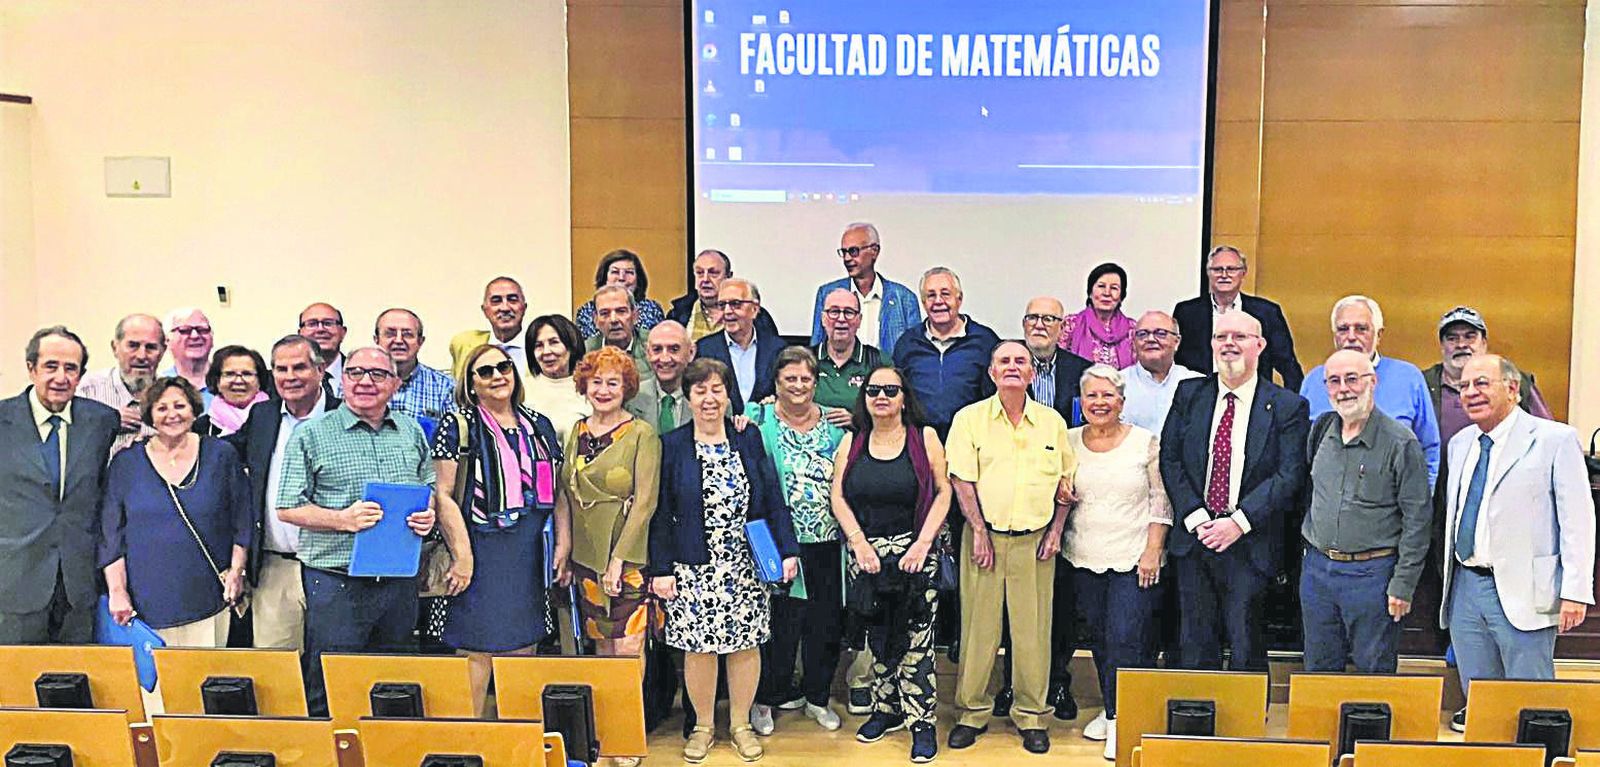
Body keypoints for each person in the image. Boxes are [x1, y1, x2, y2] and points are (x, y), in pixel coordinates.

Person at [648, 358, 800, 763]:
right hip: (693, 564)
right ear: (688, 396)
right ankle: (702, 726)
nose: (710, 398)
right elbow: (660, 512)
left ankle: (740, 724)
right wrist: (660, 569)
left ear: (729, 394)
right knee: (699, 650)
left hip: (744, 563)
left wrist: (788, 550)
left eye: (717, 389)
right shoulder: (673, 444)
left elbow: (770, 497)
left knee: (745, 647)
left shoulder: (747, 439)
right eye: (701, 390)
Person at [276, 347, 438, 716]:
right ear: (341, 379)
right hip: (336, 583)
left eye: (379, 374)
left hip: (398, 582)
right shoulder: (312, 434)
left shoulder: (411, 431)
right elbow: (286, 507)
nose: (366, 381)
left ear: (396, 384)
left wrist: (426, 517)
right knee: (333, 686)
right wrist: (342, 519)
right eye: (356, 372)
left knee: (394, 685)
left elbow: (427, 490)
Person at [1441, 354, 1595, 731]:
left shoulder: (1554, 439)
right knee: (1480, 701)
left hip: (1526, 589)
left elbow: (1577, 519)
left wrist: (1575, 589)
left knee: (1531, 704)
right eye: (1463, 386)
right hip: (1466, 587)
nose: (1471, 392)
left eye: (1481, 383)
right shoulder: (1461, 443)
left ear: (1512, 389)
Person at [945, 341, 1076, 754]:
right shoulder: (970, 420)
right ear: (991, 372)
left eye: (1021, 361)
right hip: (984, 539)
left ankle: (1032, 716)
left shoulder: (1052, 423)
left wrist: (1056, 531)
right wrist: (979, 531)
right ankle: (972, 712)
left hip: (1036, 543)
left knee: (1033, 633)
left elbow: (1065, 486)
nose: (1013, 367)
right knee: (979, 632)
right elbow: (961, 480)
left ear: (1032, 374)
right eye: (1004, 361)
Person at [1160, 311, 1309, 672]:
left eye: (1239, 337)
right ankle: (1195, 722)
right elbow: (1171, 458)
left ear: (1259, 345)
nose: (1229, 344)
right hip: (1195, 540)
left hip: (1250, 542)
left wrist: (1237, 523)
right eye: (1221, 337)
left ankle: (1242, 725)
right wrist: (1198, 519)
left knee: (1246, 643)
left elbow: (1288, 474)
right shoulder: (1189, 393)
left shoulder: (1287, 405)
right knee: (1194, 642)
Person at [432, 344, 564, 714]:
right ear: (471, 384)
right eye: (485, 371)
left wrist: (564, 545)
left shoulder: (539, 424)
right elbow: (443, 495)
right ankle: (470, 740)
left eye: (503, 367)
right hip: (480, 550)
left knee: (525, 643)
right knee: (478, 646)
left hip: (528, 552)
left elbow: (559, 489)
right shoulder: (458, 424)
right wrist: (463, 556)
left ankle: (518, 742)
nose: (497, 376)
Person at [832, 365, 952, 763]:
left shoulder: (924, 438)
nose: (881, 396)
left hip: (915, 557)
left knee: (916, 643)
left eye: (890, 390)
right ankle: (888, 710)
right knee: (878, 639)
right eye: (873, 390)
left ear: (904, 397)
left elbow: (943, 492)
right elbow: (838, 497)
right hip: (866, 557)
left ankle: (921, 721)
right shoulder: (852, 441)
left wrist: (922, 544)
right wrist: (858, 544)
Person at [1063, 364, 1172, 761]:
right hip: (1082, 556)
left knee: (1126, 640)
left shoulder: (1145, 441)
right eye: (1092, 395)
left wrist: (1153, 549)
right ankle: (1111, 710)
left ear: (1122, 402)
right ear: (1081, 401)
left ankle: (1123, 720)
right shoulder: (1069, 441)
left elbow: (1161, 500)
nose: (1099, 402)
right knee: (1097, 640)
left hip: (1133, 558)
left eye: (1108, 395)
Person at [992, 297, 1092, 721]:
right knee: (1014, 606)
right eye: (1032, 317)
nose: (1040, 324)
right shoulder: (1004, 370)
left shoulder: (1079, 370)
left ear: (1062, 326)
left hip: (1069, 496)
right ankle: (1011, 685)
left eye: (1049, 318)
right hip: (1019, 502)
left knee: (1058, 604)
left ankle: (1057, 683)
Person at [1300, 350, 1431, 675]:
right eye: (1334, 381)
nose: (1343, 389)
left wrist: (1403, 585)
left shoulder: (1401, 443)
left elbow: (1418, 521)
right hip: (1317, 572)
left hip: (1372, 576)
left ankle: (1367, 730)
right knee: (1318, 668)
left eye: (1352, 379)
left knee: (1373, 672)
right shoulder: (1321, 431)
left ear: (1372, 382)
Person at [100, 377, 251, 647]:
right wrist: (117, 591)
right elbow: (111, 535)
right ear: (150, 416)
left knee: (205, 680)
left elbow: (242, 521)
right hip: (145, 602)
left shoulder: (221, 455)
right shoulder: (126, 463)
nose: (172, 414)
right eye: (162, 408)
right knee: (155, 687)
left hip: (208, 596)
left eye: (180, 405)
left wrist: (237, 572)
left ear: (194, 410)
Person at [748, 347, 849, 734]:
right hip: (777, 543)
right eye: (790, 378)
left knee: (824, 624)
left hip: (826, 541)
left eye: (806, 378)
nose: (799, 386)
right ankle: (765, 699)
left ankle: (817, 698)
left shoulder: (836, 427)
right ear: (776, 382)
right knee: (778, 625)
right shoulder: (758, 422)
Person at [0, 327, 118, 643]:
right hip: (13, 581)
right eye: (51, 366)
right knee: (15, 687)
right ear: (31, 368)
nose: (61, 377)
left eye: (71, 368)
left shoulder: (102, 421)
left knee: (75, 684)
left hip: (78, 583)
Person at [226, 335, 339, 650]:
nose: (290, 377)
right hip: (275, 568)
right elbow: (226, 452)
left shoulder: (344, 416)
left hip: (333, 568)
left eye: (299, 367)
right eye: (281, 369)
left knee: (330, 668)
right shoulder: (263, 416)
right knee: (277, 673)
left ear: (320, 370)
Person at [556, 346, 661, 657]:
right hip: (586, 558)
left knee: (628, 646)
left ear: (626, 387)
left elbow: (645, 503)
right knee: (601, 646)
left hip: (627, 560)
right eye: (596, 382)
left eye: (613, 383)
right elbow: (566, 491)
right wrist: (566, 552)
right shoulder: (578, 430)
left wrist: (617, 562)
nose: (603, 390)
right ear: (584, 386)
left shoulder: (642, 433)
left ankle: (631, 708)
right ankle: (607, 709)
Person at [1300, 295, 1441, 486]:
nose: (1351, 337)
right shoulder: (1314, 380)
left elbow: (1429, 447)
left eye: (1361, 329)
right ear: (1334, 336)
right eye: (1343, 329)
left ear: (1379, 335)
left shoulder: (1409, 378)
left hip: (1392, 506)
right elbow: (1301, 452)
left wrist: (1421, 499)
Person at [1173, 246, 1303, 391]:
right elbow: (1176, 361)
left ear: (1243, 273)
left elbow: (1287, 365)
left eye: (1231, 269)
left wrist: (1289, 407)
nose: (1224, 275)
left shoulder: (1267, 312)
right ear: (1208, 273)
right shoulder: (1187, 313)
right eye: (1217, 270)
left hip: (1253, 399)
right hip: (1202, 397)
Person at [891, 267, 1000, 440]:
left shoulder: (985, 341)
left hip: (972, 441)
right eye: (931, 295)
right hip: (919, 442)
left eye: (945, 294)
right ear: (923, 302)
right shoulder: (907, 343)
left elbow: (997, 396)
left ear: (960, 299)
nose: (938, 301)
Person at [809, 223, 921, 359]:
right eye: (844, 252)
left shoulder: (904, 299)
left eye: (853, 251)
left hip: (887, 376)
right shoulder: (828, 294)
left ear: (874, 251)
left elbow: (914, 354)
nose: (847, 259)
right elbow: (815, 350)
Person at [77, 313, 165, 454]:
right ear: (114, 348)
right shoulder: (87, 391)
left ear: (162, 351)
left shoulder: (172, 395)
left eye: (150, 347)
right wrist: (107, 422)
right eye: (133, 346)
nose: (142, 356)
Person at [695, 278, 783, 415]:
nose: (727, 311)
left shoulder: (777, 349)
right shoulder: (704, 349)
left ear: (754, 309)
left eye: (735, 304)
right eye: (722, 305)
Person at [667, 249, 778, 342]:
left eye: (713, 273)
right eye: (700, 273)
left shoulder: (755, 316)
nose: (705, 279)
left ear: (728, 276)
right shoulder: (678, 313)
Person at [1121, 311, 1203, 435]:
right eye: (1142, 334)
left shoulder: (1198, 385)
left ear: (1177, 341)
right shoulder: (1117, 384)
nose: (1150, 339)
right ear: (1133, 343)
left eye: (1160, 333)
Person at [813, 288, 883, 429]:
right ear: (823, 318)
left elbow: (894, 415)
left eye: (849, 312)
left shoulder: (878, 362)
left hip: (862, 445)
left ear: (859, 320)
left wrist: (857, 421)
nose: (841, 318)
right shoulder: (805, 360)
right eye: (834, 312)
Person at [377, 308, 454, 424]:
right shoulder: (355, 384)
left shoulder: (446, 387)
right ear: (376, 340)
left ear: (420, 341)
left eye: (407, 334)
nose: (398, 340)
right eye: (390, 334)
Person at [524, 314, 592, 443]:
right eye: (538, 345)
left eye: (554, 342)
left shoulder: (591, 389)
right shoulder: (522, 390)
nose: (546, 351)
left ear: (571, 346)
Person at [1058, 263, 1136, 368]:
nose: (1107, 293)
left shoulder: (1132, 328)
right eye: (1101, 286)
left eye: (1114, 288)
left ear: (1121, 296)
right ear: (1090, 293)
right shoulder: (1071, 324)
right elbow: (1059, 362)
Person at [575, 249, 667, 337]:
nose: (621, 278)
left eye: (629, 272)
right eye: (615, 272)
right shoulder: (587, 311)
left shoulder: (652, 309)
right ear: (604, 277)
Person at [627, 320, 695, 433]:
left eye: (674, 349)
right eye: (657, 349)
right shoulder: (632, 398)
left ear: (691, 352)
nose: (665, 359)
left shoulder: (711, 402)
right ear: (647, 353)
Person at [197, 345, 270, 437]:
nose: (238, 381)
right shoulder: (199, 428)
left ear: (259, 381)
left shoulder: (277, 419)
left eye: (247, 374)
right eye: (229, 374)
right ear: (217, 381)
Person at [584, 285, 653, 381]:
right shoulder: (585, 352)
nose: (613, 320)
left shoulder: (653, 346)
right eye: (605, 313)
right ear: (595, 320)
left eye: (621, 311)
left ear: (635, 315)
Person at [162, 307, 215, 404]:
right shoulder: (158, 386)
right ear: (167, 340)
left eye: (202, 329)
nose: (195, 336)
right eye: (184, 330)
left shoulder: (228, 382)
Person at [297, 303, 348, 396]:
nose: (320, 329)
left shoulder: (361, 375)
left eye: (328, 323)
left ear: (343, 332)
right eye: (312, 324)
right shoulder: (274, 381)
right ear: (300, 333)